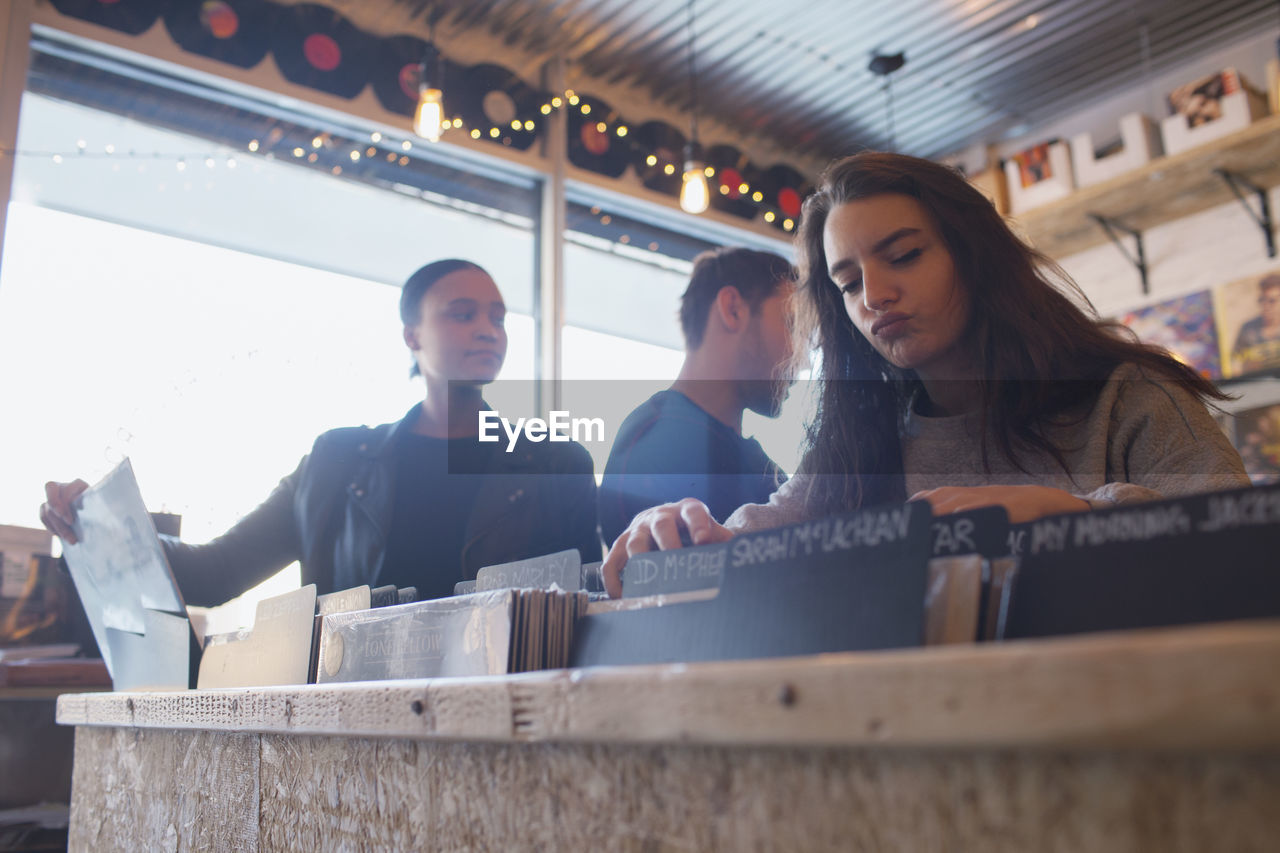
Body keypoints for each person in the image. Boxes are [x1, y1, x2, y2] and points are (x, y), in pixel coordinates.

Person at [601, 152, 1249, 597]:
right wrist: (686, 534)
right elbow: (771, 525)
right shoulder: (861, 438)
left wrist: (1069, 514)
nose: (874, 296)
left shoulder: (1130, 398)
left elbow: (1244, 547)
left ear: (976, 258)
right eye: (848, 283)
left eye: (904, 256)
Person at [40, 259, 600, 605]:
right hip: (352, 734)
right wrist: (103, 524)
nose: (488, 331)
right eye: (462, 314)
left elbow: (587, 607)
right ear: (412, 335)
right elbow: (216, 573)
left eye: (498, 318)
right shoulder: (336, 462)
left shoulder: (555, 463)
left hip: (501, 725)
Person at [596, 247, 795, 545]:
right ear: (733, 310)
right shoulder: (658, 441)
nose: (801, 357)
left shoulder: (757, 462)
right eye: (792, 324)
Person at [1231, 273, 1280, 375]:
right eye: (1262, 300)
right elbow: (1234, 363)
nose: (1265, 306)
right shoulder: (1247, 329)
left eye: (1272, 301)